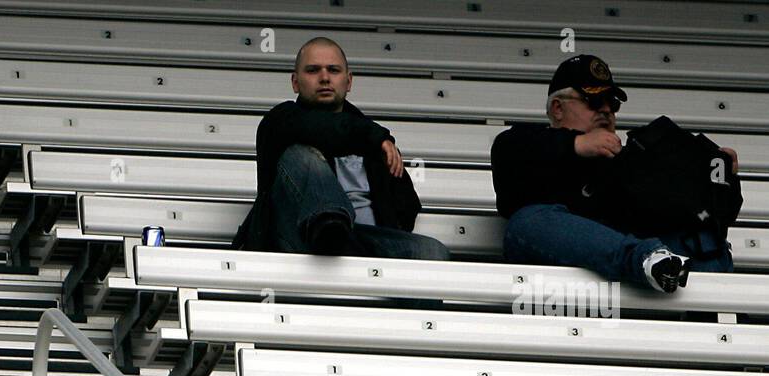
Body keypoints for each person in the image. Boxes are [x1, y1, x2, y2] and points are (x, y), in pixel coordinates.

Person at [492, 54, 739, 293]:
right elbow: (507, 155)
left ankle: (720, 320)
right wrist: (576, 145)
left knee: (701, 239)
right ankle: (645, 259)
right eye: (594, 101)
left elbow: (692, 212)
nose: (607, 110)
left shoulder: (632, 159)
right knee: (527, 221)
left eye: (613, 103)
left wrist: (713, 175)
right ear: (557, 109)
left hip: (633, 282)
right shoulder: (525, 144)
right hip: (557, 284)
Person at [231, 37, 450, 260]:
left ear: (349, 81)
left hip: (362, 246)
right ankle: (330, 224)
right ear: (295, 82)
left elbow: (405, 206)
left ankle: (340, 240)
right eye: (313, 70)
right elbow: (322, 128)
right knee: (301, 155)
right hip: (298, 244)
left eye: (333, 70)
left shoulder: (373, 143)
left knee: (433, 252)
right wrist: (375, 138)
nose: (324, 77)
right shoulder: (279, 123)